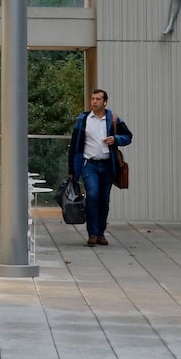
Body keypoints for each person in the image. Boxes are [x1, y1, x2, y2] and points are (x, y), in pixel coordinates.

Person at [67, 88, 132, 246]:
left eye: (98, 99)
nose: (94, 101)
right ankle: (92, 233)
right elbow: (75, 144)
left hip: (108, 165)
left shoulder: (113, 119)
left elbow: (128, 137)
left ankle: (101, 233)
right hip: (90, 164)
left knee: (104, 200)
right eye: (92, 99)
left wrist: (115, 139)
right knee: (93, 196)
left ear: (105, 102)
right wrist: (72, 171)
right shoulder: (84, 119)